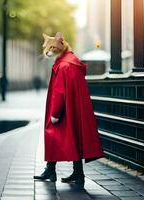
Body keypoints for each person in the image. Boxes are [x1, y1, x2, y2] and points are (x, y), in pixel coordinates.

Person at [33, 32, 104, 185]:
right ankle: (77, 173)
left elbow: (59, 92)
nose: (47, 52)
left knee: (53, 133)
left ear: (61, 46)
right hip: (73, 109)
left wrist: (55, 113)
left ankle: (50, 170)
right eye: (46, 48)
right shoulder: (72, 61)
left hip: (62, 110)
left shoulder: (63, 65)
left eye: (51, 48)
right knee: (74, 137)